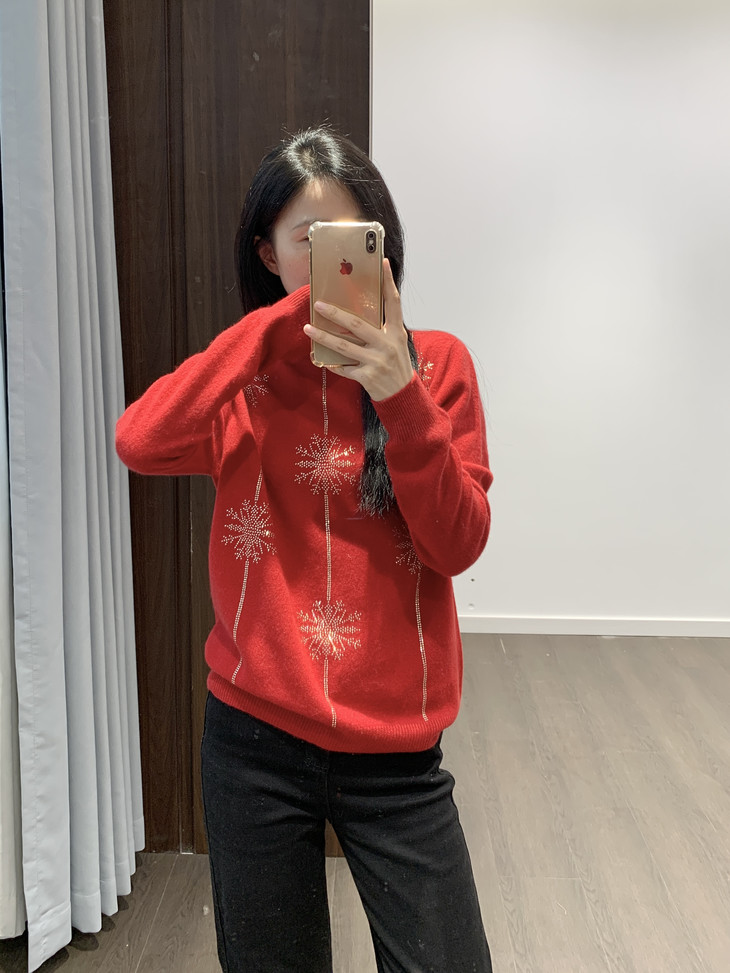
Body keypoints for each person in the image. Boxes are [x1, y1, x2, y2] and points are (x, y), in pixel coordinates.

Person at [116, 126, 494, 973]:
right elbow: (140, 439)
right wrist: (274, 327)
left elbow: (458, 542)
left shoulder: (438, 367)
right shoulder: (245, 379)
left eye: (358, 239)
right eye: (312, 243)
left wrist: (398, 395)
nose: (338, 263)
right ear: (270, 254)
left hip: (398, 754)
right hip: (254, 741)